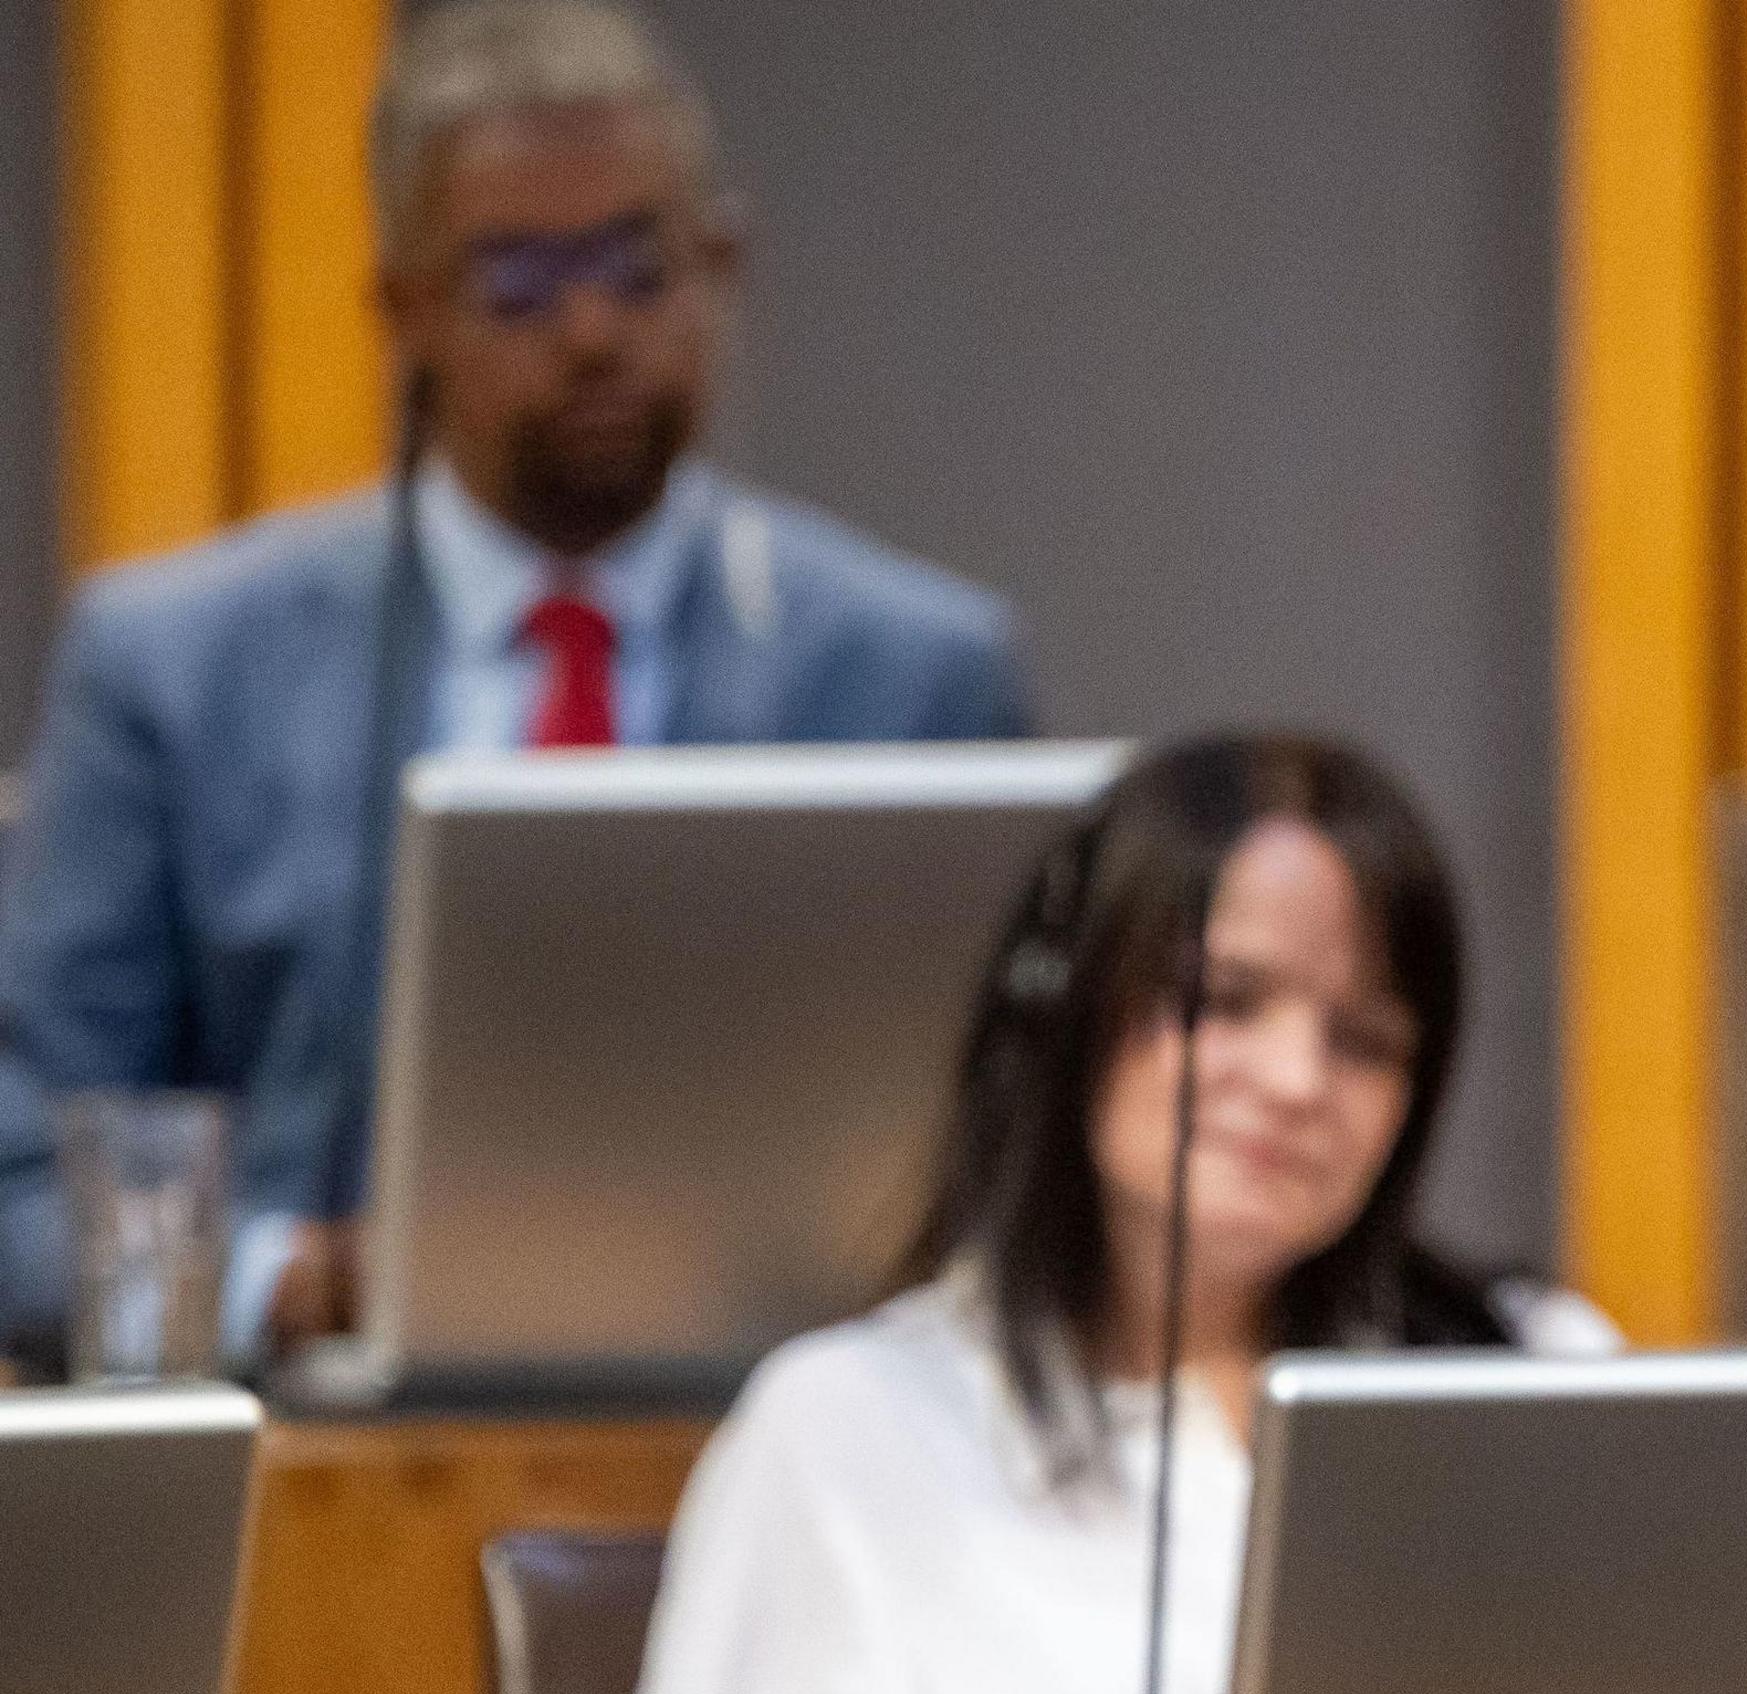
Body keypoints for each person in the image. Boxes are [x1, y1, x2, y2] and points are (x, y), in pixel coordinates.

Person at [0, 0, 1027, 1367]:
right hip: (316, 1469)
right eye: (520, 288)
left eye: (640, 269)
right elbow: (21, 1174)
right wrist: (298, 1279)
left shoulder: (915, 675)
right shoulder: (179, 670)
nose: (594, 333)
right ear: (401, 308)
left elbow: (1031, 1170)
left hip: (799, 1433)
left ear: (724, 262)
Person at [571, 735, 1616, 1694]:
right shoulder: (845, 1425)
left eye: (1365, 1039)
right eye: (1224, 1000)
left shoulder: (1539, 1368)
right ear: (1060, 1004)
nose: (1294, 1081)